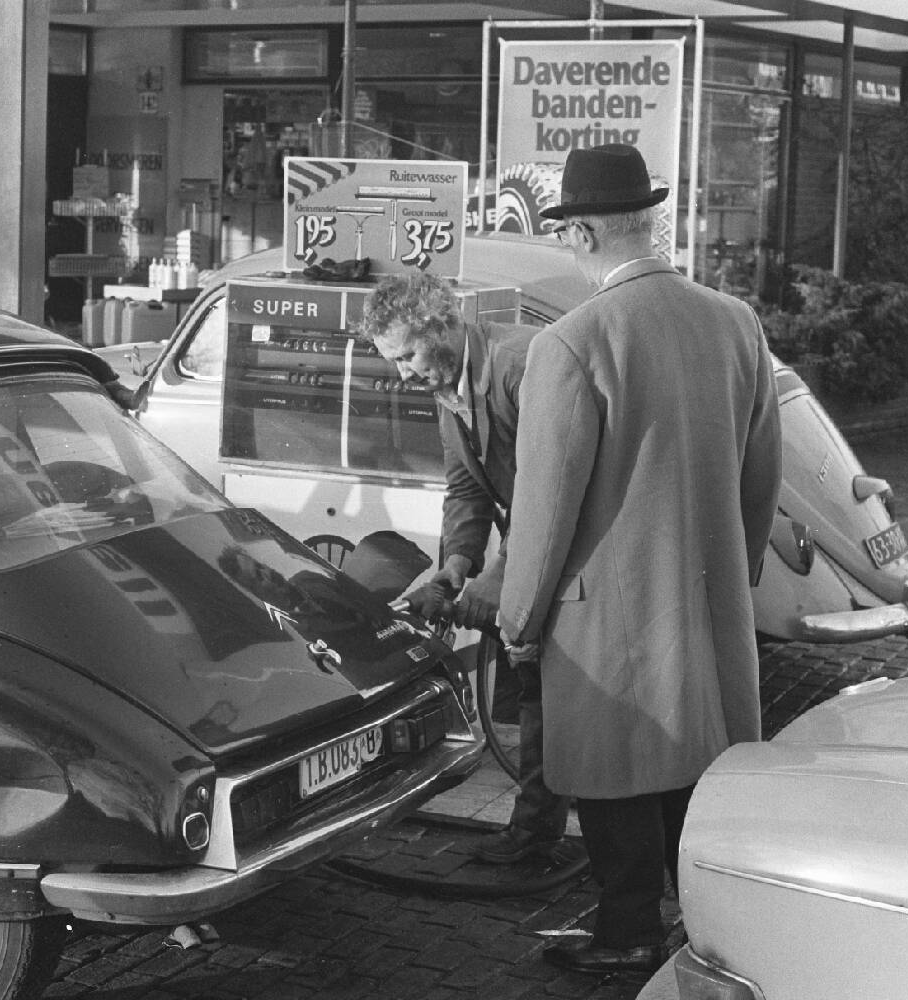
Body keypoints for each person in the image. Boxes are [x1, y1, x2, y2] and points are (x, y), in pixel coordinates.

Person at [496, 144, 782, 973]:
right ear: (646, 222)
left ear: (582, 232)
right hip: (708, 600)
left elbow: (544, 511)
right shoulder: (735, 322)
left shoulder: (571, 344)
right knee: (696, 772)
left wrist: (518, 619)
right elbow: (761, 477)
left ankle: (627, 934)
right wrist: (734, 571)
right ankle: (703, 934)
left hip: (605, 621)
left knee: (616, 776)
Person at [358, 271, 571, 864]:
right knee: (537, 693)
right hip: (535, 550)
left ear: (443, 326)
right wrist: (453, 567)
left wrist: (494, 586)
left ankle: (559, 843)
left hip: (573, 553)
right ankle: (536, 835)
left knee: (555, 696)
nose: (401, 373)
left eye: (406, 355)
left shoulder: (519, 365)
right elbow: (466, 490)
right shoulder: (447, 383)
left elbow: (547, 492)